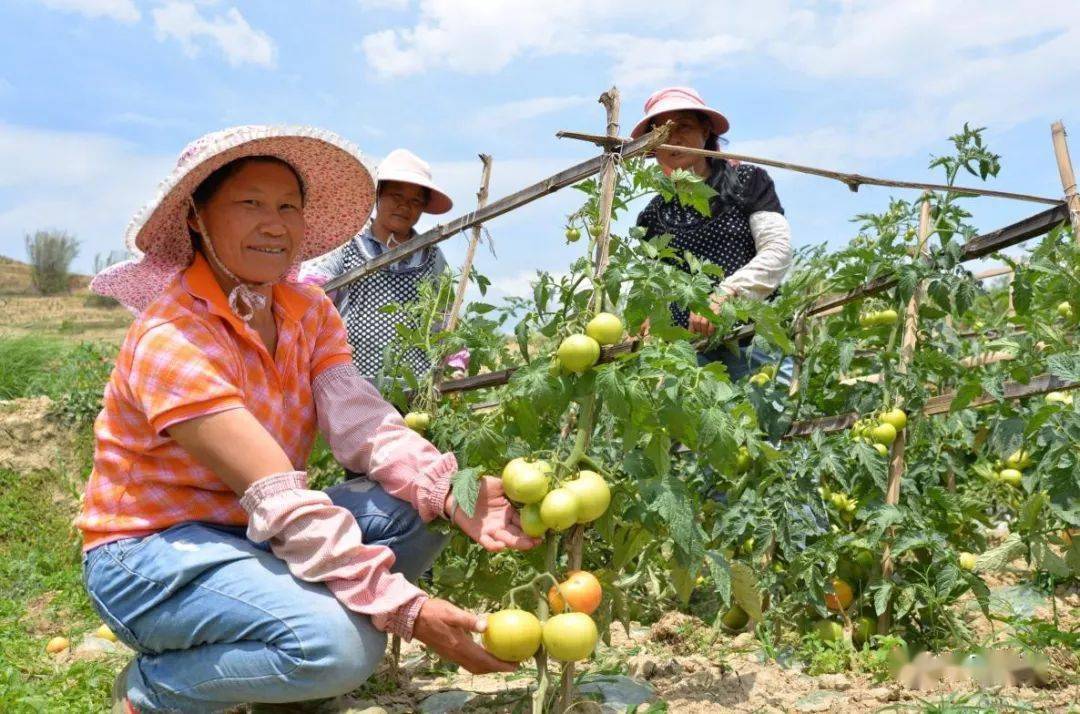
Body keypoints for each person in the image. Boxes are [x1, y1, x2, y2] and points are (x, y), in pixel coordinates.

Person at [81, 126, 537, 714]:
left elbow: (361, 421)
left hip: (247, 531)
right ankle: (157, 690)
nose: (274, 225)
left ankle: (280, 685)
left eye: (287, 207)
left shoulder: (306, 309)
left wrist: (448, 490)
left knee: (418, 509)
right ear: (196, 216)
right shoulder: (174, 337)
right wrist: (404, 607)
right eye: (250, 203)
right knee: (341, 648)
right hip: (152, 554)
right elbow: (274, 492)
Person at [632, 87, 794, 381]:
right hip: (686, 361)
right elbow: (654, 286)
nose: (673, 138)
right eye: (662, 132)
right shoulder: (652, 215)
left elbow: (777, 250)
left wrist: (726, 294)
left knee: (765, 409)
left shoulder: (746, 181)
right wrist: (645, 318)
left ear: (705, 130)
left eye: (683, 126)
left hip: (751, 343)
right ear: (652, 144)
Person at [298, 148, 467, 385]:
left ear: (423, 207)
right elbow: (310, 295)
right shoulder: (349, 244)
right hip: (349, 383)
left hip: (415, 387)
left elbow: (445, 317)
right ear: (378, 195)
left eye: (415, 201)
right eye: (396, 197)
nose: (405, 206)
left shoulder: (430, 256)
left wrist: (455, 363)